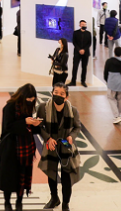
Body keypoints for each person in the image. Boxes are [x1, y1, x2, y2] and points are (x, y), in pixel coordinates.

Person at [36, 83, 81, 211]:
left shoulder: (73, 111)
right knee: (51, 174)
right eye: (56, 92)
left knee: (67, 176)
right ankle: (54, 198)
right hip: (51, 146)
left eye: (62, 94)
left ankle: (66, 203)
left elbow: (77, 127)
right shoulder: (43, 108)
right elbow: (39, 126)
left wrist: (72, 136)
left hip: (66, 146)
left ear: (67, 97)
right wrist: (47, 138)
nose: (58, 95)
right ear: (52, 93)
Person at [0, 84, 40, 211]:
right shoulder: (10, 107)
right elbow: (8, 127)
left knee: (23, 176)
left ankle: (19, 201)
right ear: (22, 96)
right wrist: (25, 122)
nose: (31, 102)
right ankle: (7, 202)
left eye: (33, 100)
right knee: (9, 177)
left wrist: (35, 124)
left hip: (25, 149)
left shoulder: (27, 106)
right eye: (29, 99)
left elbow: (29, 129)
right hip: (11, 148)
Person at [103, 46, 121, 124]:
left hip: (112, 83)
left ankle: (116, 116)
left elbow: (105, 73)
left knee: (111, 98)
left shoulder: (109, 61)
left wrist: (107, 81)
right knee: (120, 100)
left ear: (114, 52)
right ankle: (118, 115)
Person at [69, 20, 90, 88]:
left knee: (84, 67)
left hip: (85, 53)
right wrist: (79, 49)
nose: (84, 25)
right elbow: (74, 42)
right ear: (80, 25)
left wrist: (84, 50)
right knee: (75, 67)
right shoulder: (75, 33)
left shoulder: (88, 33)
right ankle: (73, 81)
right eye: (82, 24)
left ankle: (83, 81)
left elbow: (89, 43)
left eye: (85, 24)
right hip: (77, 53)